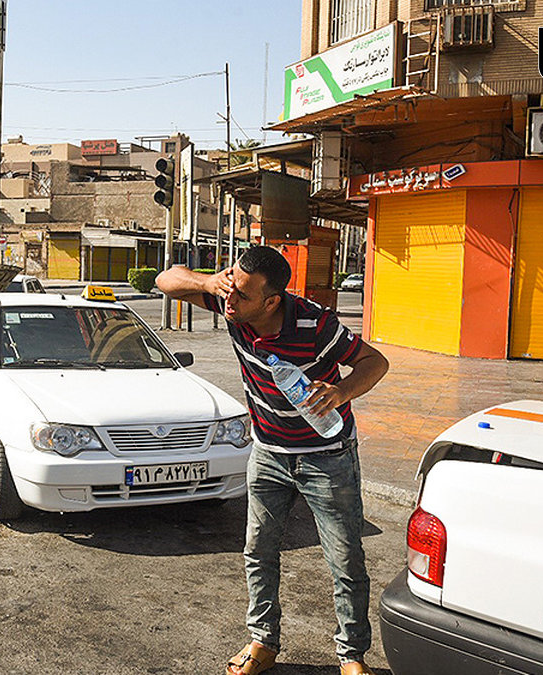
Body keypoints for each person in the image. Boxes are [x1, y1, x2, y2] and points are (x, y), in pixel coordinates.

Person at [156, 247, 389, 675]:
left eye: (241, 295)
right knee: (259, 550)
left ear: (271, 301)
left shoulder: (315, 324)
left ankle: (352, 655)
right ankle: (263, 640)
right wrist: (209, 282)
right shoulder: (230, 302)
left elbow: (376, 361)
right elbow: (165, 280)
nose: (230, 302)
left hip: (327, 457)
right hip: (267, 453)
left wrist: (341, 392)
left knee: (345, 558)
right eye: (230, 288)